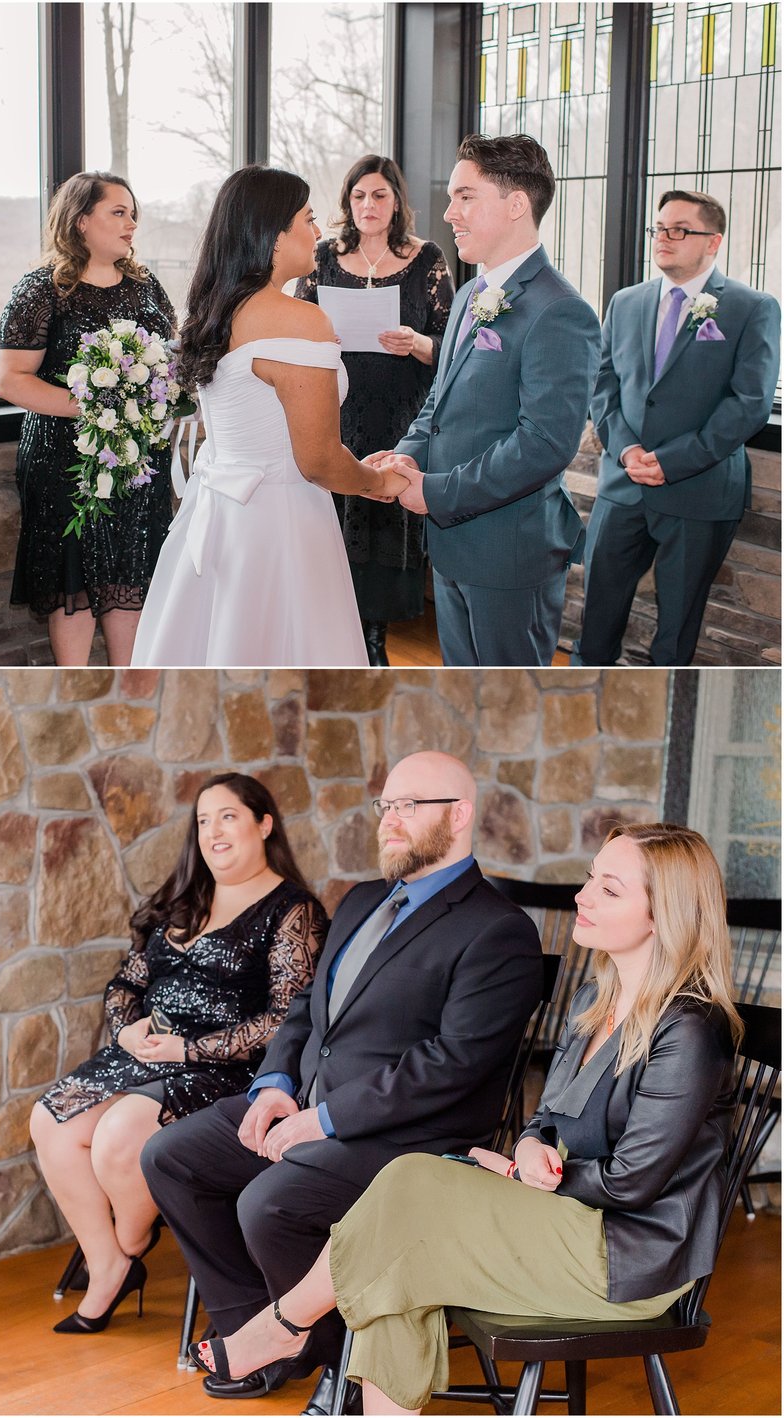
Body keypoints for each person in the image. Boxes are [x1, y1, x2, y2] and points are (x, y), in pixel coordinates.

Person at [190, 822, 742, 1417]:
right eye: (589, 879)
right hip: (562, 1218)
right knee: (399, 1242)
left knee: (411, 1189)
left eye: (609, 890)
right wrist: (530, 1148)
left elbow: (633, 1182)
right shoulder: (592, 1002)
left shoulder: (689, 1029)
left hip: (626, 1259)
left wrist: (520, 1175)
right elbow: (546, 1120)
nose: (581, 896)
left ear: (665, 915)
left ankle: (284, 1324)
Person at [141, 752, 543, 1413]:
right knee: (171, 1156)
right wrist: (274, 1083)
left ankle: (335, 1361)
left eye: (409, 806)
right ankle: (264, 1329)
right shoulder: (360, 900)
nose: (389, 821)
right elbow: (306, 1010)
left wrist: (323, 1121)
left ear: (461, 814)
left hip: (411, 1140)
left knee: (270, 1205)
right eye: (386, 806)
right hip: (308, 1103)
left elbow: (452, 1064)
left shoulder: (499, 930)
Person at [30, 773, 326, 1335]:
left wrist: (189, 1047)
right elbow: (124, 983)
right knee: (50, 1121)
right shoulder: (184, 900)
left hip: (223, 1069)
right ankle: (110, 1263)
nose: (213, 831)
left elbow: (291, 1019)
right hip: (144, 1053)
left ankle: (130, 1242)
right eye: (203, 820)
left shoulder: (292, 911)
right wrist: (126, 1031)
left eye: (228, 816)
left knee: (118, 1138)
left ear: (264, 825)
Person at [129, 165, 408, 669]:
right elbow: (319, 461)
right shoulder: (299, 319)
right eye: (307, 219)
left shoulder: (215, 308)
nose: (318, 232)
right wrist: (379, 483)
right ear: (273, 236)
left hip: (219, 517)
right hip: (280, 523)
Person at [374, 134, 601, 667]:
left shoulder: (560, 311)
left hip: (510, 554)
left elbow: (544, 444)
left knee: (508, 707)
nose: (449, 212)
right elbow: (441, 401)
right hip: (453, 545)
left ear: (517, 203)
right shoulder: (472, 296)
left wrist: (438, 491)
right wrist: (406, 455)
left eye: (466, 196)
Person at [573, 189, 781, 667]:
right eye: (659, 228)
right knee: (597, 621)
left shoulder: (752, 308)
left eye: (680, 230)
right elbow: (603, 381)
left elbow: (748, 403)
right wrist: (626, 451)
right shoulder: (626, 302)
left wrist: (671, 461)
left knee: (676, 631)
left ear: (714, 242)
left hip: (699, 491)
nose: (663, 238)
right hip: (622, 487)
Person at [0, 171, 176, 667]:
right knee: (72, 579)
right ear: (79, 222)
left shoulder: (145, 286)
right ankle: (72, 684)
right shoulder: (42, 290)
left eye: (133, 213)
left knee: (131, 573)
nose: (131, 223)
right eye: (118, 213)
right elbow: (11, 380)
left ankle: (128, 688)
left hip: (137, 457)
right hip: (64, 460)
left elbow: (171, 359)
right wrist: (97, 409)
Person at [295, 155, 453, 666]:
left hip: (400, 414)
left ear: (396, 202)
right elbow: (295, 327)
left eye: (379, 195)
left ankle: (374, 642)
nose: (369, 204)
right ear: (348, 202)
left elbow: (452, 346)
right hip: (336, 408)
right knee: (333, 518)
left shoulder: (426, 259)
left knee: (384, 523)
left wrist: (417, 343)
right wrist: (321, 333)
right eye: (359, 195)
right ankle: (328, 638)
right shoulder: (321, 257)